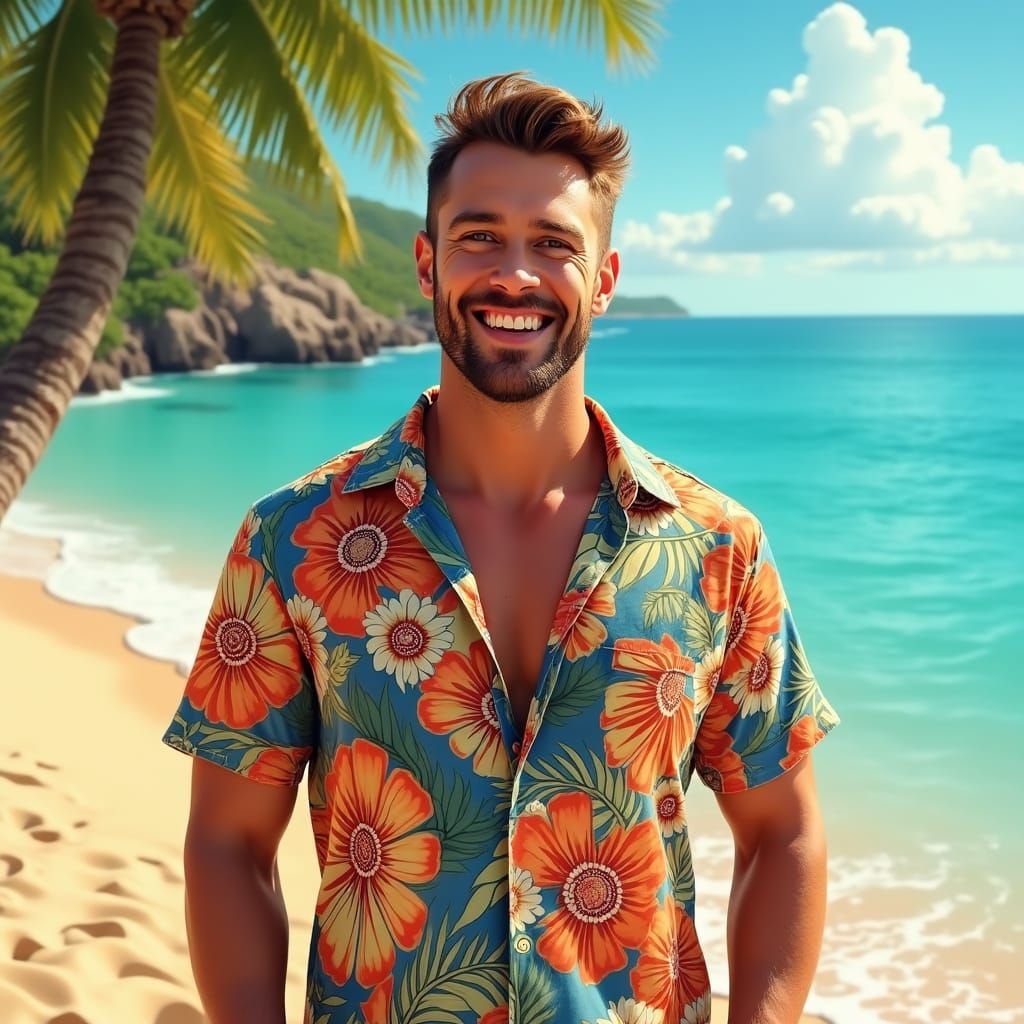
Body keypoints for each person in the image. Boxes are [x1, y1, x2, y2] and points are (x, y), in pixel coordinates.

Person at [163, 72, 839, 1024]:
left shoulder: (717, 548)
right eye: (480, 235)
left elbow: (784, 832)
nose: (515, 274)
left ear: (602, 281)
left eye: (554, 244)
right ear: (428, 262)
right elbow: (227, 843)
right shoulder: (294, 538)